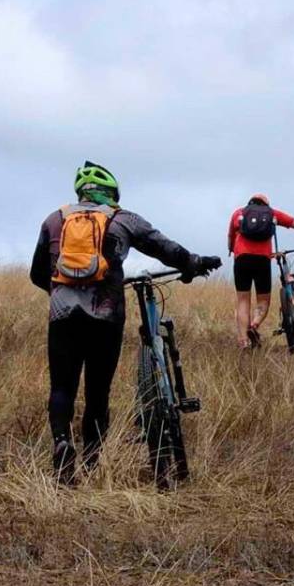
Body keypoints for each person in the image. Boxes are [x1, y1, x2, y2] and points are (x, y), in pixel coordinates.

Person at [30, 160, 220, 483]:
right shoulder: (122, 219)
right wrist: (194, 263)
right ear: (110, 193)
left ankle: (62, 444)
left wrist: (62, 291)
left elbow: (37, 274)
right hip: (106, 316)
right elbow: (163, 247)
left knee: (62, 387)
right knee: (98, 392)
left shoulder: (54, 220)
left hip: (62, 315)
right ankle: (91, 462)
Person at [227, 194, 294, 348]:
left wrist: (231, 249)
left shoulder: (239, 213)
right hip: (262, 260)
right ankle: (254, 325)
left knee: (243, 300)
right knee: (263, 300)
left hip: (241, 258)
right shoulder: (272, 214)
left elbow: (230, 237)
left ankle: (243, 341)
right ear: (266, 204)